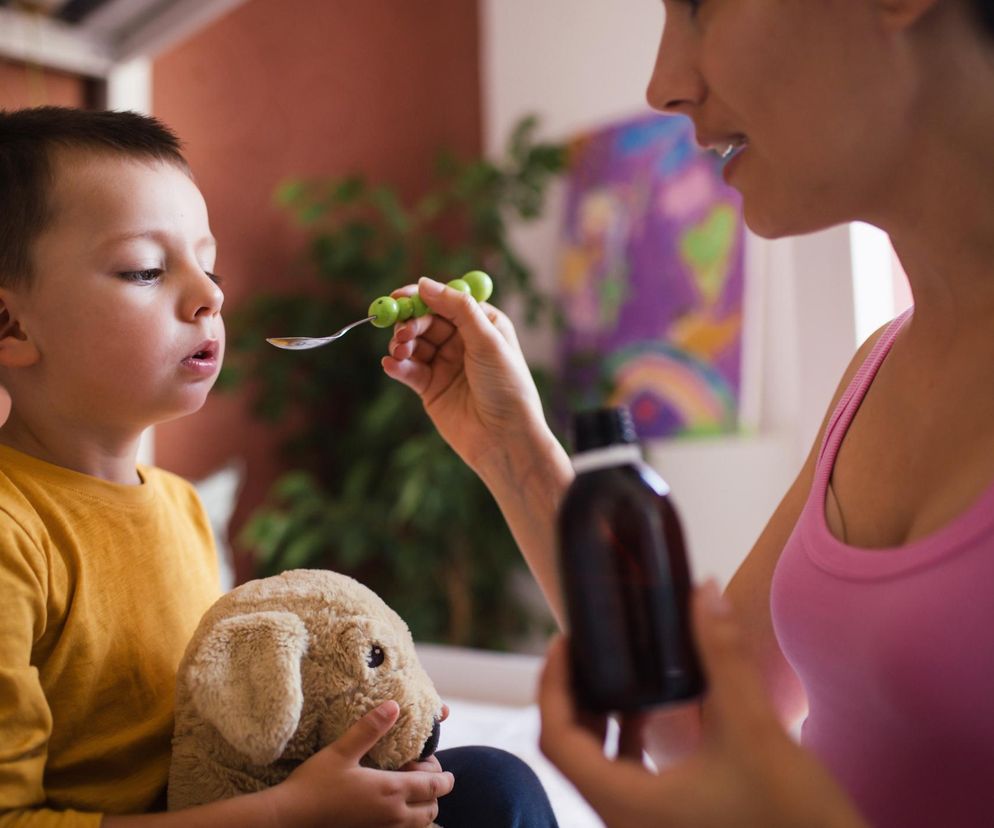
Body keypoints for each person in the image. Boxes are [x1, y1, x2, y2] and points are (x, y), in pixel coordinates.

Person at [381, 0, 994, 825]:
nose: (663, 84)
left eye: (701, 5)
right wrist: (511, 448)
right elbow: (701, 724)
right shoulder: (879, 369)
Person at [0, 107, 559, 828]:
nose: (211, 295)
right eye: (145, 269)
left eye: (211, 265)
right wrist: (286, 815)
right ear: (10, 325)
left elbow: (217, 728)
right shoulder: (15, 534)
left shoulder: (179, 506)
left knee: (489, 786)